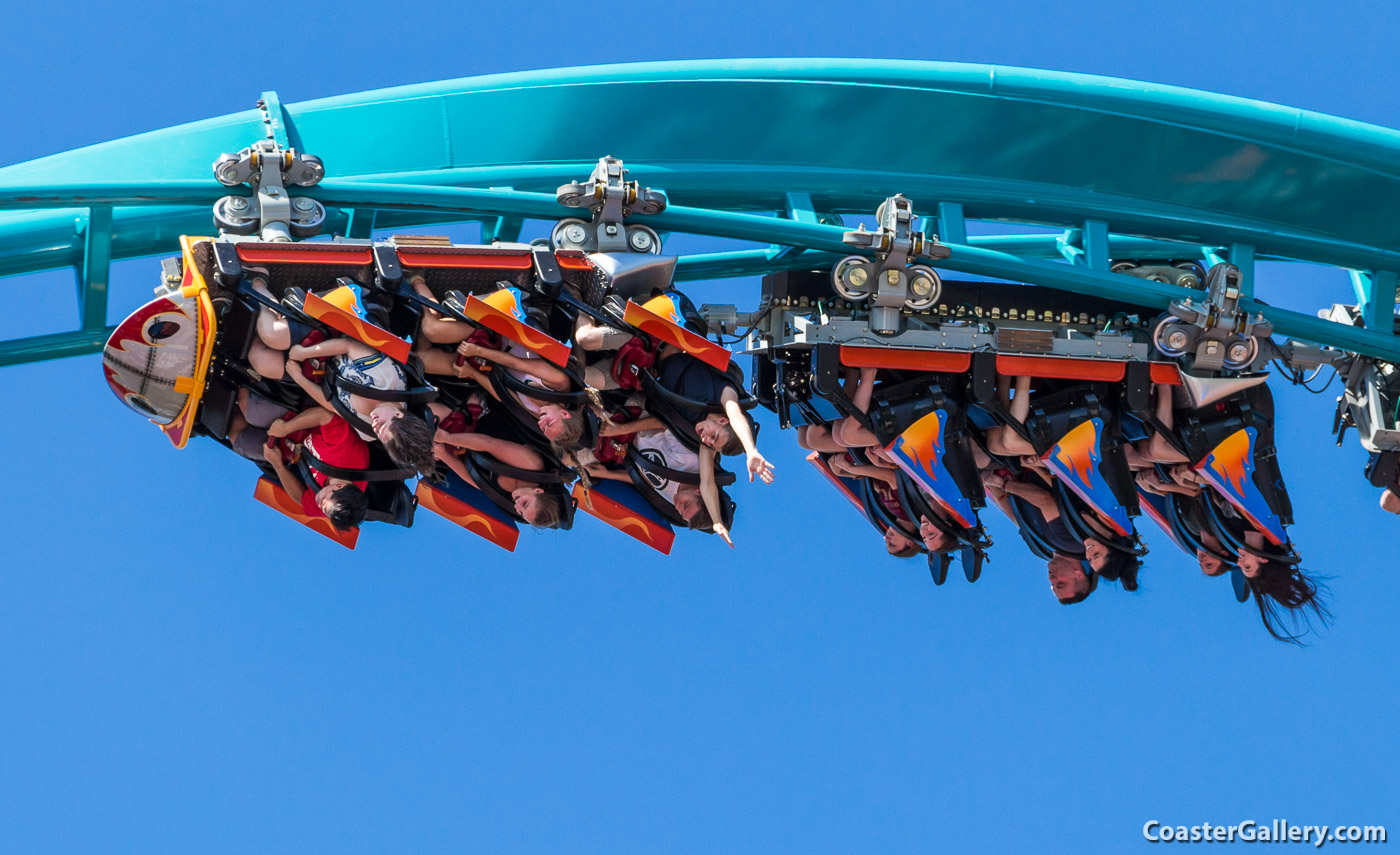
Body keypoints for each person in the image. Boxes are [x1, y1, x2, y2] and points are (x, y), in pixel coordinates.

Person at [280, 339, 436, 479]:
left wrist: (298, 377)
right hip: (323, 341)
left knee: (269, 365)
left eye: (377, 432)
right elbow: (347, 345)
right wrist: (305, 352)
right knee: (273, 337)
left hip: (314, 375)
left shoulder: (367, 434)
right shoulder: (388, 379)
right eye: (382, 425)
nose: (375, 426)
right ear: (398, 414)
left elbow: (333, 406)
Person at [431, 421, 567, 529]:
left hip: (459, 440)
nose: (517, 506)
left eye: (520, 512)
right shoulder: (532, 466)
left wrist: (443, 454)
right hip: (477, 414)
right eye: (525, 504)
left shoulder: (508, 497)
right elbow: (488, 444)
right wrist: (445, 438)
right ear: (538, 491)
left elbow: (475, 480)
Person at [258, 411, 370, 532]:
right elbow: (325, 416)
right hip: (297, 417)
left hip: (284, 450)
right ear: (339, 486)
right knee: (252, 412)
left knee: (241, 441)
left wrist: (277, 465)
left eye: (324, 511)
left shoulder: (333, 506)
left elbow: (301, 499)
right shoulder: (348, 455)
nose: (320, 505)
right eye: (324, 502)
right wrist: (285, 428)